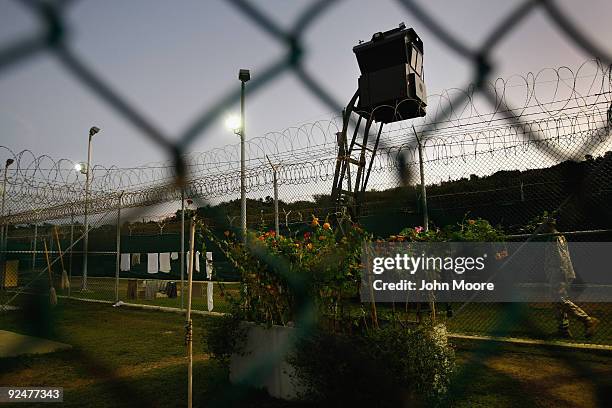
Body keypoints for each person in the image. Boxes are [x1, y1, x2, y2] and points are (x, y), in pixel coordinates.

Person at [542, 218, 599, 338]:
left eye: (543, 225)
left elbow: (561, 257)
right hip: (557, 273)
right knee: (557, 302)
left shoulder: (556, 237)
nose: (541, 228)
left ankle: (587, 320)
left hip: (559, 273)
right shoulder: (552, 237)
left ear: (548, 225)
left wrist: (561, 275)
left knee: (560, 299)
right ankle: (563, 329)